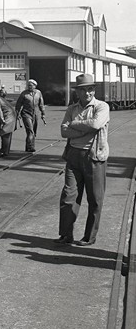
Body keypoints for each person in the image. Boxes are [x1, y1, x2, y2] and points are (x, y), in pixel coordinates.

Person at [57, 73, 109, 246]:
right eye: (83, 90)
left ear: (94, 90)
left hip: (94, 157)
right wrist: (83, 128)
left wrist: (73, 124)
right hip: (73, 156)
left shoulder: (102, 107)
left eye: (90, 89)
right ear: (77, 92)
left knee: (94, 199)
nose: (87, 93)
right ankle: (66, 235)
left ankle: (89, 237)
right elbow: (64, 132)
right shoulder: (72, 109)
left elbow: (95, 125)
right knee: (68, 196)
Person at [15, 79, 46, 153]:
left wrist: (43, 113)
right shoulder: (24, 94)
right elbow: (18, 104)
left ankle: (30, 146)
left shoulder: (38, 93)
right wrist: (17, 113)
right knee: (30, 131)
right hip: (26, 114)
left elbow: (41, 104)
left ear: (35, 86)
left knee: (33, 131)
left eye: (31, 85)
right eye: (28, 85)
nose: (29, 87)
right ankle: (30, 147)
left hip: (35, 114)